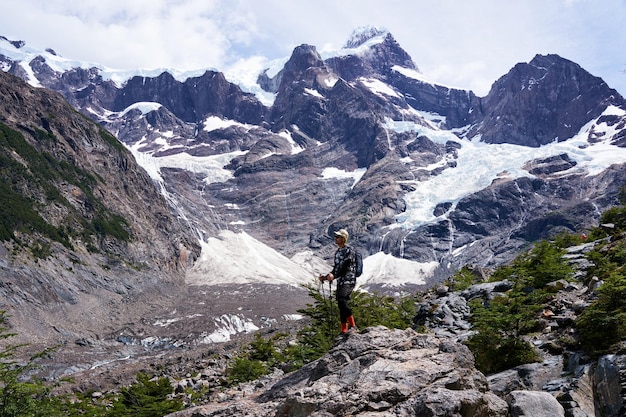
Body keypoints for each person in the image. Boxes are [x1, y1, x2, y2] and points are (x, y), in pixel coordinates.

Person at [319, 229, 357, 334]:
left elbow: (345, 266)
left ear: (343, 238)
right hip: (341, 280)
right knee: (340, 304)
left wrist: (333, 275)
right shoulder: (337, 252)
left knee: (342, 300)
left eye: (338, 237)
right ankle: (344, 329)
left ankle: (353, 326)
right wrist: (326, 277)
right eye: (335, 237)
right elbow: (336, 268)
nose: (335, 238)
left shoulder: (349, 250)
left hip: (349, 279)